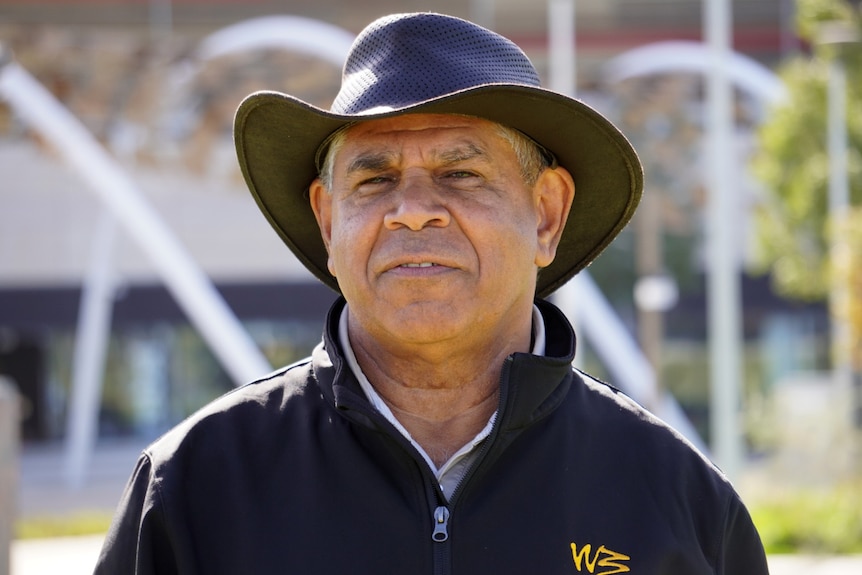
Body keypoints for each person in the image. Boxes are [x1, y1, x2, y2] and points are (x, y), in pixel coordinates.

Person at [95, 12, 769, 574]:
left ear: (546, 215)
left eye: (460, 173)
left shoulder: (678, 500)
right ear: (330, 222)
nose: (413, 210)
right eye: (374, 178)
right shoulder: (190, 491)